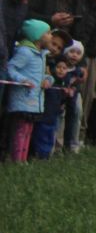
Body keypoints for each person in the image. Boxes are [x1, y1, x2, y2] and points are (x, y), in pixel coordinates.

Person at [3, 19, 52, 163]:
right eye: (48, 33)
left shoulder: (41, 55)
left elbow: (43, 74)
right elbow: (10, 68)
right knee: (21, 131)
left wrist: (48, 80)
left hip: (34, 100)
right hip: (23, 99)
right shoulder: (25, 52)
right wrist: (22, 79)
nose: (51, 36)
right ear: (37, 36)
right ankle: (16, 160)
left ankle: (23, 160)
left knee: (28, 130)